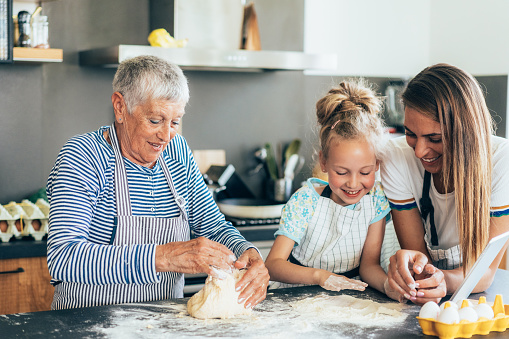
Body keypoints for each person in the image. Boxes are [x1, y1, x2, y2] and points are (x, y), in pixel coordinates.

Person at [46, 55, 269, 310]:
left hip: (163, 324)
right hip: (90, 322)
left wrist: (247, 252)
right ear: (120, 107)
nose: (165, 136)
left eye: (175, 122)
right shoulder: (83, 156)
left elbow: (213, 227)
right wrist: (164, 257)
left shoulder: (177, 151)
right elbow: (64, 257)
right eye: (155, 120)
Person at [381, 63, 509, 305]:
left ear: (465, 133)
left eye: (435, 138)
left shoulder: (502, 161)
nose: (419, 152)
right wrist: (419, 274)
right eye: (410, 133)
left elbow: (483, 273)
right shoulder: (395, 157)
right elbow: (421, 263)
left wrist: (443, 281)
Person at [265, 80, 402, 301]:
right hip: (295, 297)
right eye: (342, 172)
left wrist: (388, 286)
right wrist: (320, 276)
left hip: (348, 298)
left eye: (365, 172)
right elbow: (273, 265)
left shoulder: (376, 200)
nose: (354, 183)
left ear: (377, 164)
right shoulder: (306, 201)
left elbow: (368, 265)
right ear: (324, 162)